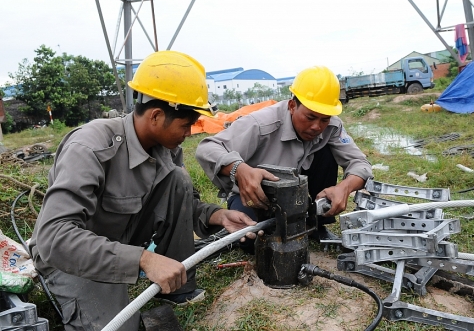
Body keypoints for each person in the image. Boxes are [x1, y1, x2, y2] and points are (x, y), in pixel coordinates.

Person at [28, 51, 260, 331]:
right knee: (118, 326)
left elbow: (181, 203)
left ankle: (177, 288)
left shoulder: (166, 148)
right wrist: (143, 259)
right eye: (185, 125)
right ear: (156, 116)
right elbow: (55, 238)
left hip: (121, 241)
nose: (188, 134)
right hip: (70, 256)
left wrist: (219, 216)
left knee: (178, 180)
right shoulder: (90, 148)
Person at [195, 65, 373, 250]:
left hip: (299, 193)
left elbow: (360, 163)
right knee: (251, 239)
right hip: (259, 196)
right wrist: (240, 170)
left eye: (324, 119)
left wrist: (344, 188)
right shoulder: (261, 123)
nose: (317, 127)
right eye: (310, 117)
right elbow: (207, 148)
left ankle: (316, 225)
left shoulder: (332, 127)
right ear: (292, 106)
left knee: (327, 152)